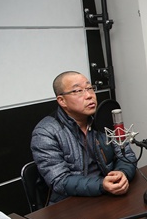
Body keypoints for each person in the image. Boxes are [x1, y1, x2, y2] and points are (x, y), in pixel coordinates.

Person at [31, 71, 137, 205]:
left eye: (90, 88)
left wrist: (122, 174)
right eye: (78, 91)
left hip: (108, 196)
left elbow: (126, 156)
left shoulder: (104, 120)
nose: (89, 96)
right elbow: (59, 181)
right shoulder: (45, 132)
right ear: (61, 100)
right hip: (71, 205)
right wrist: (102, 185)